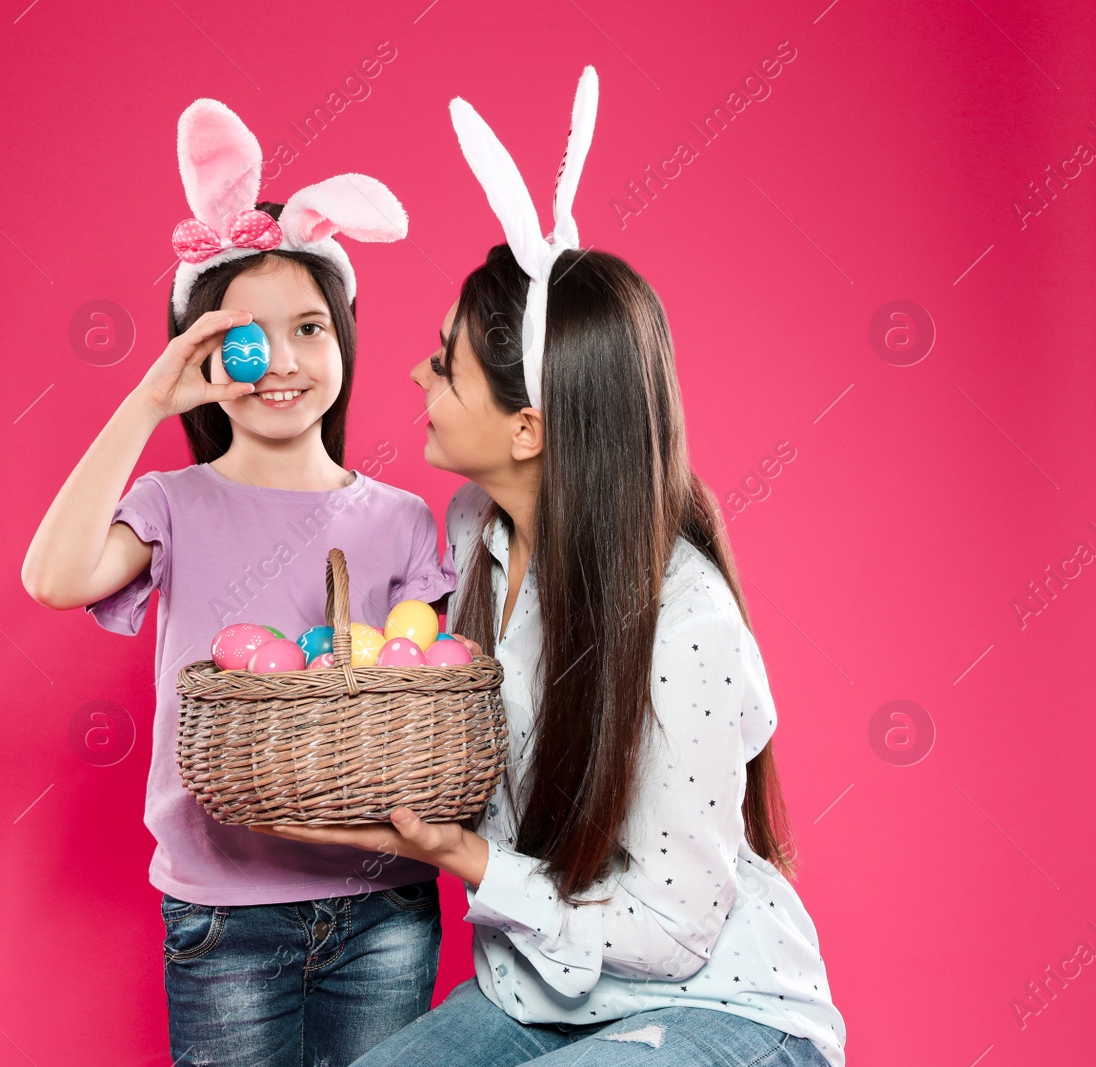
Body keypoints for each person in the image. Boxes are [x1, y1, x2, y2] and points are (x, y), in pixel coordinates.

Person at [254, 68, 847, 1067]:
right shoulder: (471, 532)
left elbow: (675, 931)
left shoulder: (681, 623)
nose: (415, 374)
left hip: (728, 1006)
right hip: (533, 994)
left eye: (443, 364)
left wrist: (469, 858)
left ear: (528, 426)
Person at [21, 98, 457, 1067]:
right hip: (223, 915)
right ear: (207, 351)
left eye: (309, 326)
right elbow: (54, 578)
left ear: (343, 336)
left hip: (379, 900)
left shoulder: (394, 518)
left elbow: (420, 671)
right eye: (248, 337)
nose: (284, 361)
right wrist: (146, 401)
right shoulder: (172, 502)